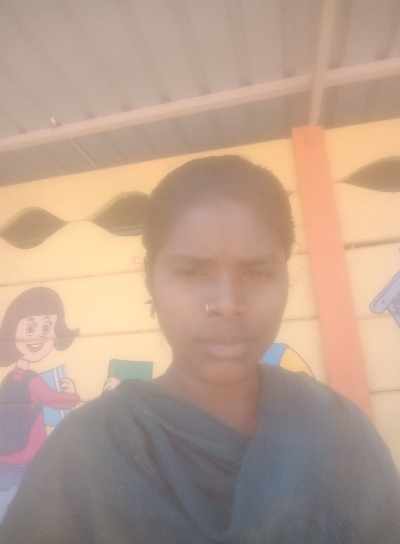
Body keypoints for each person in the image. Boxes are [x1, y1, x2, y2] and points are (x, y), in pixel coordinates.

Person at [1, 156, 399, 543]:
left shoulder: (337, 432)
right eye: (192, 272)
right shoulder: (85, 452)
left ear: (285, 278)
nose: (227, 303)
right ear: (151, 281)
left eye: (257, 271)